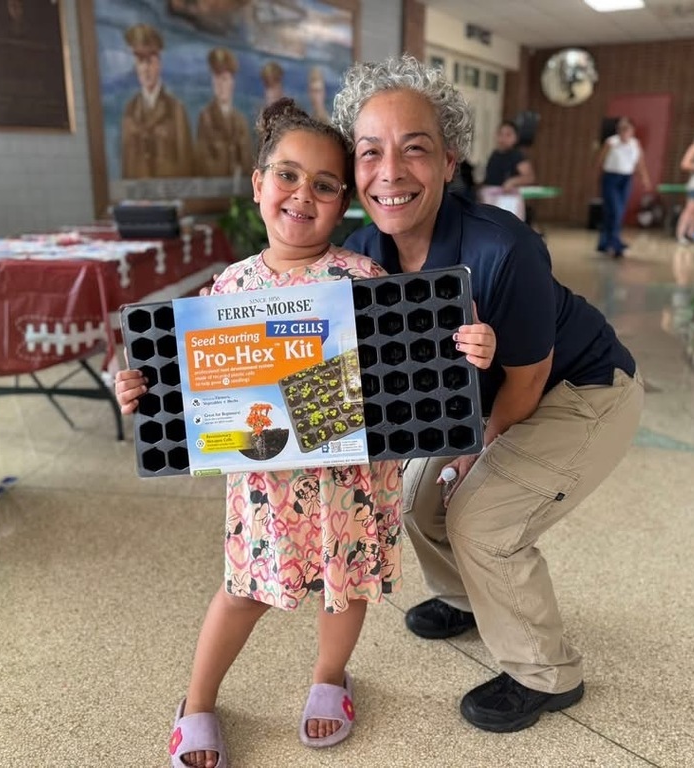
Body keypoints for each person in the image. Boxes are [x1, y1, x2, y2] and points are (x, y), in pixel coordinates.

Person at [114, 98, 497, 768]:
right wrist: (137, 391)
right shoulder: (224, 291)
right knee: (240, 594)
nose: (303, 194)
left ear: (343, 201)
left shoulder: (366, 280)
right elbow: (182, 389)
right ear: (258, 184)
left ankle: (329, 678)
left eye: (324, 184)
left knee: (343, 588)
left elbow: (416, 370)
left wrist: (471, 345)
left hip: (351, 488)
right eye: (287, 176)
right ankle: (197, 701)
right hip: (265, 492)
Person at [333, 55, 644, 734]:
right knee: (415, 499)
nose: (390, 172)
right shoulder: (362, 250)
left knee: (479, 518)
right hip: (483, 393)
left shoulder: (505, 249)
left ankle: (549, 673)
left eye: (415, 149)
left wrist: (470, 457)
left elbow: (529, 380)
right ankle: (467, 598)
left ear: (449, 162)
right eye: (370, 153)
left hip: (581, 392)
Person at [120, 23, 194, 179]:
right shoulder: (130, 110)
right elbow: (127, 167)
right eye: (140, 61)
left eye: (150, 61)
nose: (145, 68)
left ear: (158, 63)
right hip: (138, 200)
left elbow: (187, 166)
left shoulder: (175, 109)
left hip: (171, 199)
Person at [594, 116, 651, 258]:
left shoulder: (635, 144)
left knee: (618, 211)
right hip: (611, 178)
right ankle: (615, 243)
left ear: (632, 130)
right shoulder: (611, 142)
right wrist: (598, 178)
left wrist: (645, 178)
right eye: (620, 129)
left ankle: (605, 242)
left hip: (626, 179)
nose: (623, 131)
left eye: (626, 129)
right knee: (614, 210)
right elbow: (600, 161)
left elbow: (639, 162)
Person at [195, 47, 253, 177]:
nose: (220, 85)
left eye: (224, 79)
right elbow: (203, 164)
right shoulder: (205, 118)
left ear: (232, 82)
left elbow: (247, 164)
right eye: (216, 79)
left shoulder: (240, 121)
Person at [477, 121, 535, 220]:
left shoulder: (517, 155)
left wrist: (512, 182)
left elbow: (529, 177)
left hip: (508, 199)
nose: (503, 138)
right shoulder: (494, 154)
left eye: (508, 135)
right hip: (490, 198)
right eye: (500, 134)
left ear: (516, 137)